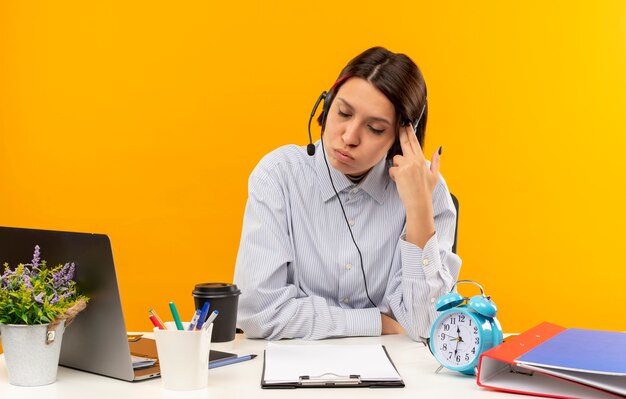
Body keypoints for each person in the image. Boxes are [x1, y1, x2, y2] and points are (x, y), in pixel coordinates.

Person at [233, 46, 461, 341]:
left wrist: (419, 207)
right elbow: (257, 313)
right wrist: (377, 322)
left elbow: (428, 327)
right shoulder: (278, 176)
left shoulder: (427, 189)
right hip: (292, 371)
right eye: (343, 113)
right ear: (325, 107)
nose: (349, 137)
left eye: (375, 128)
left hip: (401, 378)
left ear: (400, 139)